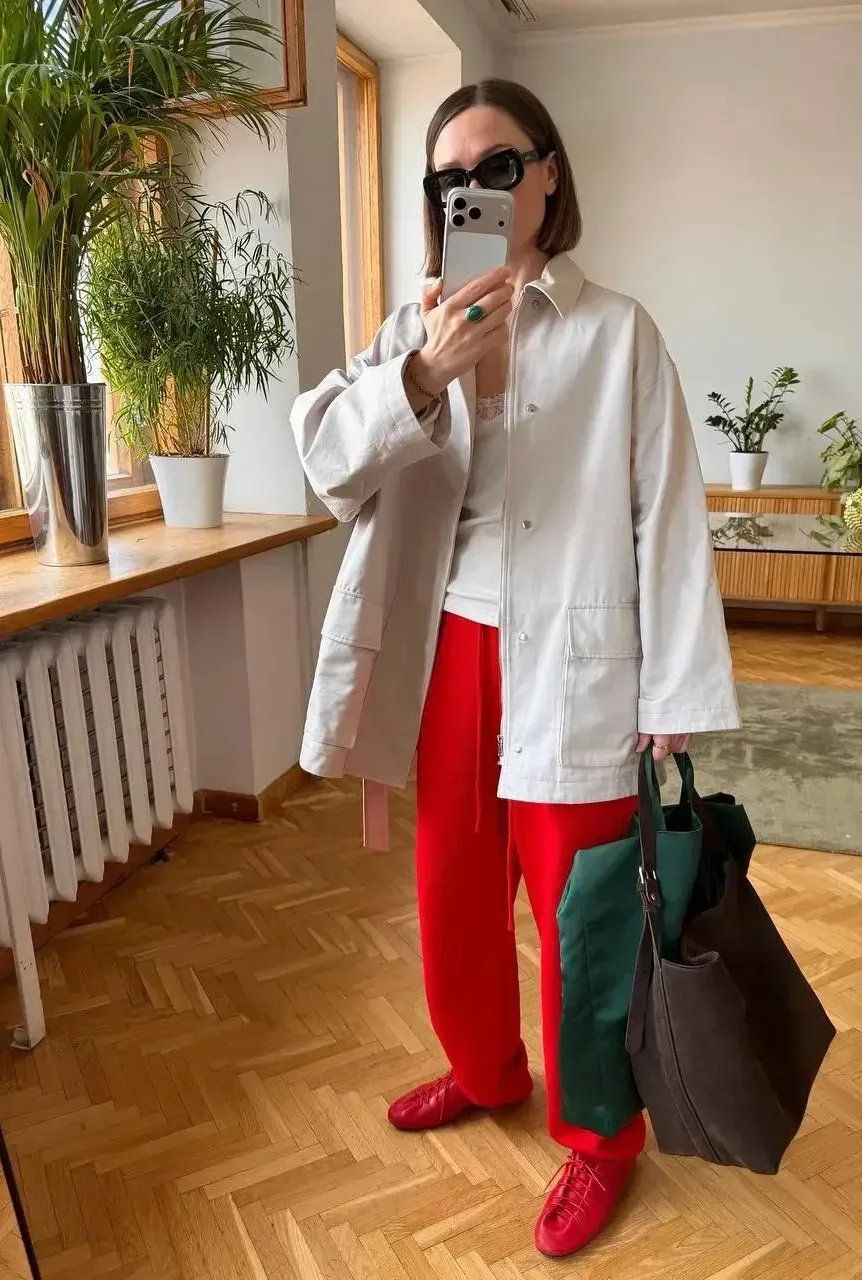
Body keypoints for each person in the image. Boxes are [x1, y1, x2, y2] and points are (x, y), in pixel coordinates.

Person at [291, 79, 739, 1258]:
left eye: (497, 167)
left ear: (547, 174)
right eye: (449, 179)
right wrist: (422, 372)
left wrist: (675, 692)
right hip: (452, 649)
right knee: (451, 894)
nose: (474, 192)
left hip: (583, 658)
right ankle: (485, 1068)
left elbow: (666, 514)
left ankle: (599, 1136)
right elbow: (327, 465)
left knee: (585, 914)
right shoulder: (414, 329)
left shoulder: (618, 332)